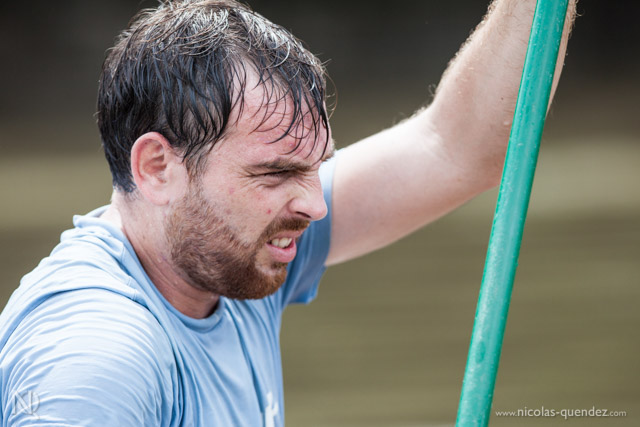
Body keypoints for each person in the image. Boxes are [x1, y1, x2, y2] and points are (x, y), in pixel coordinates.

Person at [0, 0, 576, 425]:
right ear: (157, 168)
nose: (316, 205)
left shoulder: (228, 256)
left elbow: (456, 147)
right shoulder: (97, 361)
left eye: (316, 167)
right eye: (275, 173)